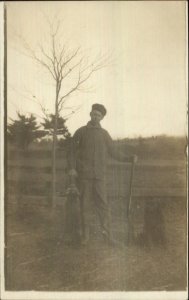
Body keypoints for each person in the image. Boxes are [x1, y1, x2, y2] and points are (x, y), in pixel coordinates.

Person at [69, 103, 137, 246]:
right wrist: (72, 168)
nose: (95, 117)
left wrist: (129, 158)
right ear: (90, 114)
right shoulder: (81, 132)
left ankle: (108, 237)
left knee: (103, 206)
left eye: (99, 115)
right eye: (94, 114)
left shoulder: (104, 134)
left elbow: (114, 152)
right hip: (84, 177)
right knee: (84, 205)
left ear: (102, 118)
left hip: (99, 177)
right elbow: (71, 152)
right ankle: (85, 237)